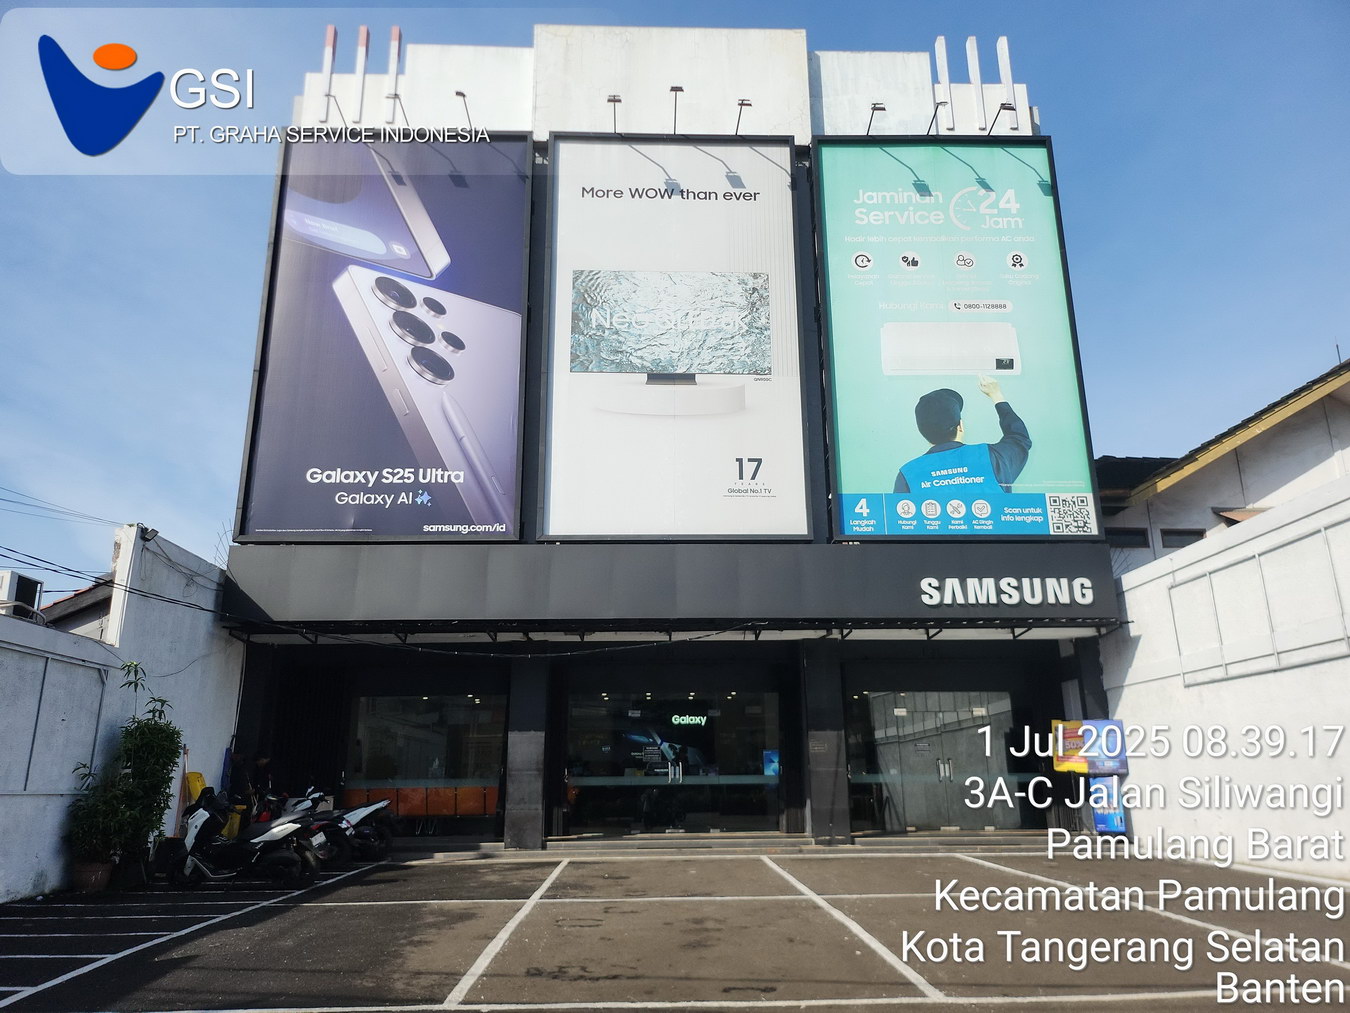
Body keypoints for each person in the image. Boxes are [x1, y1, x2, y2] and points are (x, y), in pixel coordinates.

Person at [893, 375, 1031, 495]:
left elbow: (899, 515)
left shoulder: (908, 474)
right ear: (960, 426)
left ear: (923, 432)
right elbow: (1019, 438)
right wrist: (996, 395)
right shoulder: (992, 457)